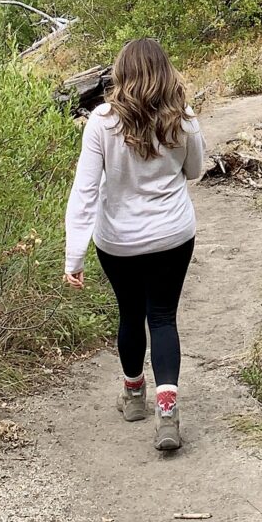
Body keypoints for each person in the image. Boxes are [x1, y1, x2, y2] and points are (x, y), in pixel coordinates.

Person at [64, 38, 207, 454]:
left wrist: (75, 254)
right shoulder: (183, 117)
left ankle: (133, 397)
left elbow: (85, 192)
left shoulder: (101, 122)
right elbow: (195, 171)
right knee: (162, 317)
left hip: (119, 242)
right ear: (166, 71)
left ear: (121, 73)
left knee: (130, 312)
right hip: (172, 236)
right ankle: (168, 411)